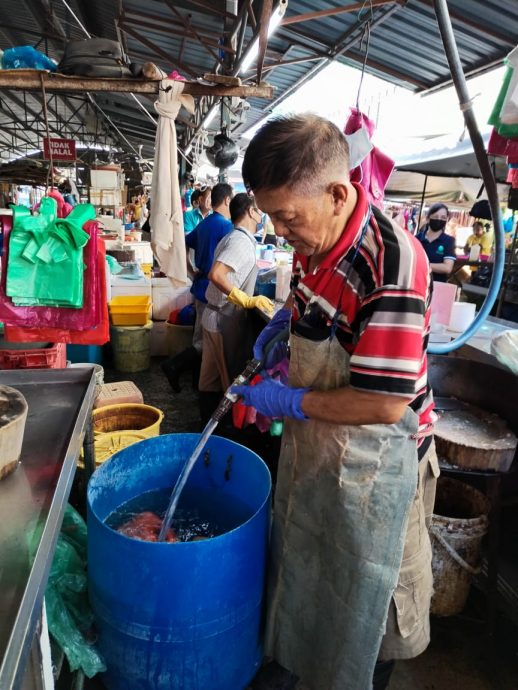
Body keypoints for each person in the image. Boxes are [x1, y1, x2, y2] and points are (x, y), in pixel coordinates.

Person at [231, 114, 438, 690]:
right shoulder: (313, 241)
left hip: (379, 466)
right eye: (271, 215)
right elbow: (312, 304)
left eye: (287, 216)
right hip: (324, 446)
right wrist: (285, 322)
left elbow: (382, 405)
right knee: (310, 568)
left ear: (339, 192)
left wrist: (289, 401)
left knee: (369, 599)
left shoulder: (392, 263)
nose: (278, 229)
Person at [198, 193, 274, 420]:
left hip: (215, 315)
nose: (262, 215)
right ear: (251, 212)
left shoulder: (235, 237)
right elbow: (217, 274)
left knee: (210, 378)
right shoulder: (241, 241)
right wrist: (246, 299)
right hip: (223, 319)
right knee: (227, 379)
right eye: (260, 210)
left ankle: (206, 427)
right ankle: (225, 430)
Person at [161, 183, 233, 392]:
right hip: (212, 290)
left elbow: (182, 243)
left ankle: (196, 382)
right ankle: (174, 366)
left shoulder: (205, 223)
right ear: (227, 200)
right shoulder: (226, 227)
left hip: (200, 286)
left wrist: (191, 270)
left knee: (198, 338)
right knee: (206, 341)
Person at [416, 202, 456, 282]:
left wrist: (423, 265)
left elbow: (447, 268)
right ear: (428, 218)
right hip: (417, 282)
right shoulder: (417, 239)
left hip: (437, 285)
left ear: (447, 220)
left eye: (443, 217)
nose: (439, 220)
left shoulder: (449, 241)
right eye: (436, 216)